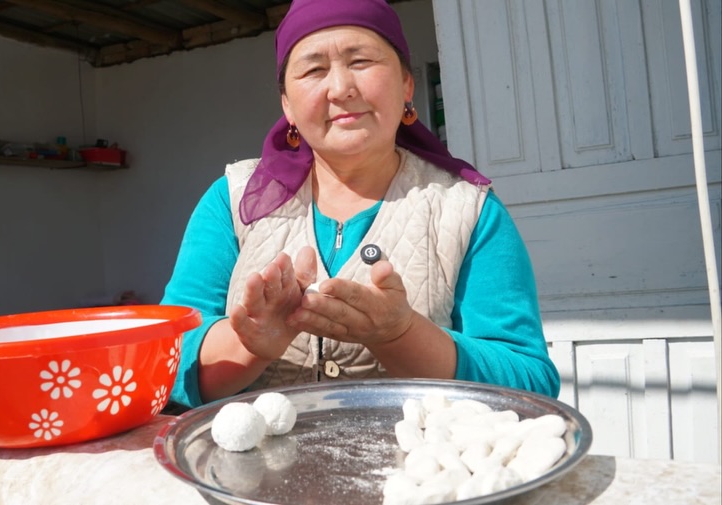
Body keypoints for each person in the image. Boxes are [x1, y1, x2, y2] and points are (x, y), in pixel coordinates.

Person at [161, 0, 559, 409]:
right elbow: (165, 358)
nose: (340, 88)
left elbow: (529, 384)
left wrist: (401, 335)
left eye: (361, 61)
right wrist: (248, 345)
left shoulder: (469, 211)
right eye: (314, 70)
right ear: (287, 105)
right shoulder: (231, 200)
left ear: (406, 84)